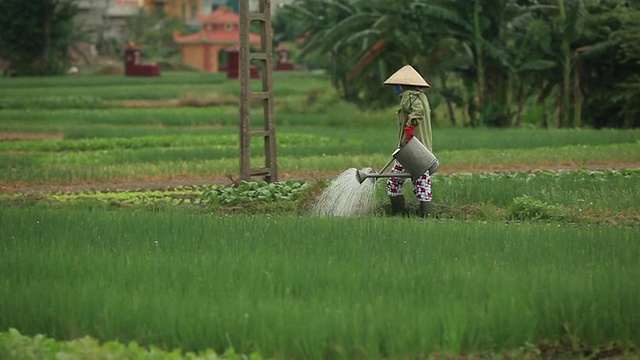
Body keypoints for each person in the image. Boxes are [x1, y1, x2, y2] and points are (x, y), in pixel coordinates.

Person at [383, 65, 433, 218]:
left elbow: (417, 111)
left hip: (411, 149)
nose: (396, 88)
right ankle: (426, 217)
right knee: (422, 183)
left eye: (397, 85)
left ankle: (399, 216)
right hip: (423, 149)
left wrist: (409, 129)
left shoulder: (409, 95)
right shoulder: (421, 96)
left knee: (393, 182)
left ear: (402, 84)